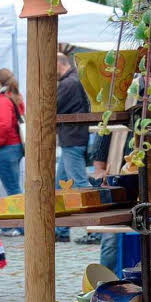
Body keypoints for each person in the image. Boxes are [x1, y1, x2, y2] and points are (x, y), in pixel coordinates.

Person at [55, 52, 92, 243]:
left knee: (80, 183)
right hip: (73, 138)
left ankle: (95, 230)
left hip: (72, 140)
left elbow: (52, 107)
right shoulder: (74, 80)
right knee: (60, 183)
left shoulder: (69, 83)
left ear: (58, 65)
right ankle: (60, 229)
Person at [0, 68, 25, 237]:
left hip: (5, 148)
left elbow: (4, 125)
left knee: (13, 189)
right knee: (14, 187)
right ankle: (14, 223)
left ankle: (21, 225)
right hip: (15, 146)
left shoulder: (3, 100)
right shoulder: (16, 97)